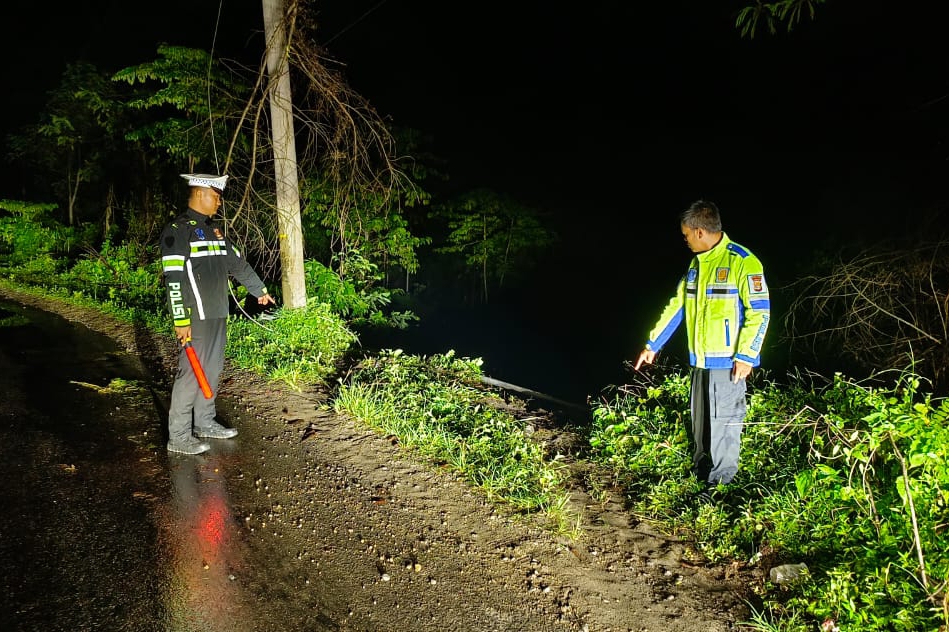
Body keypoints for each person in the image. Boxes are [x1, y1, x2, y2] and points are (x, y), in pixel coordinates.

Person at [633, 200, 770, 490]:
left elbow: (760, 311)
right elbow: (677, 306)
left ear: (698, 232)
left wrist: (746, 356)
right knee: (701, 424)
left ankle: (721, 487)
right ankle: (700, 477)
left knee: (726, 424)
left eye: (685, 235)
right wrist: (653, 344)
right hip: (699, 361)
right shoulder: (696, 266)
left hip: (729, 363)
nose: (684, 241)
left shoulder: (743, 262)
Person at [160, 173, 275, 455]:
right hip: (194, 316)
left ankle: (205, 422)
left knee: (211, 369)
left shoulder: (215, 232)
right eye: (216, 196)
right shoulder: (178, 230)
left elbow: (237, 264)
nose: (219, 203)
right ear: (200, 194)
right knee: (190, 374)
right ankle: (178, 436)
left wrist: (258, 289)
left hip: (218, 314)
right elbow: (173, 279)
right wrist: (180, 319)